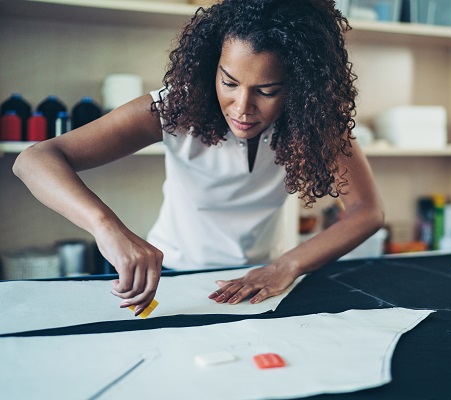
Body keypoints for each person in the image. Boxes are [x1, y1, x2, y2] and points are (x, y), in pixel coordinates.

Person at [13, 0, 384, 315]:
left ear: (301, 88)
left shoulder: (316, 122)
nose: (242, 108)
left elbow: (367, 210)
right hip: (172, 275)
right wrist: (105, 226)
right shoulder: (173, 107)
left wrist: (286, 266)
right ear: (212, 68)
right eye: (229, 82)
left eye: (267, 91)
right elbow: (35, 159)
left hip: (264, 277)